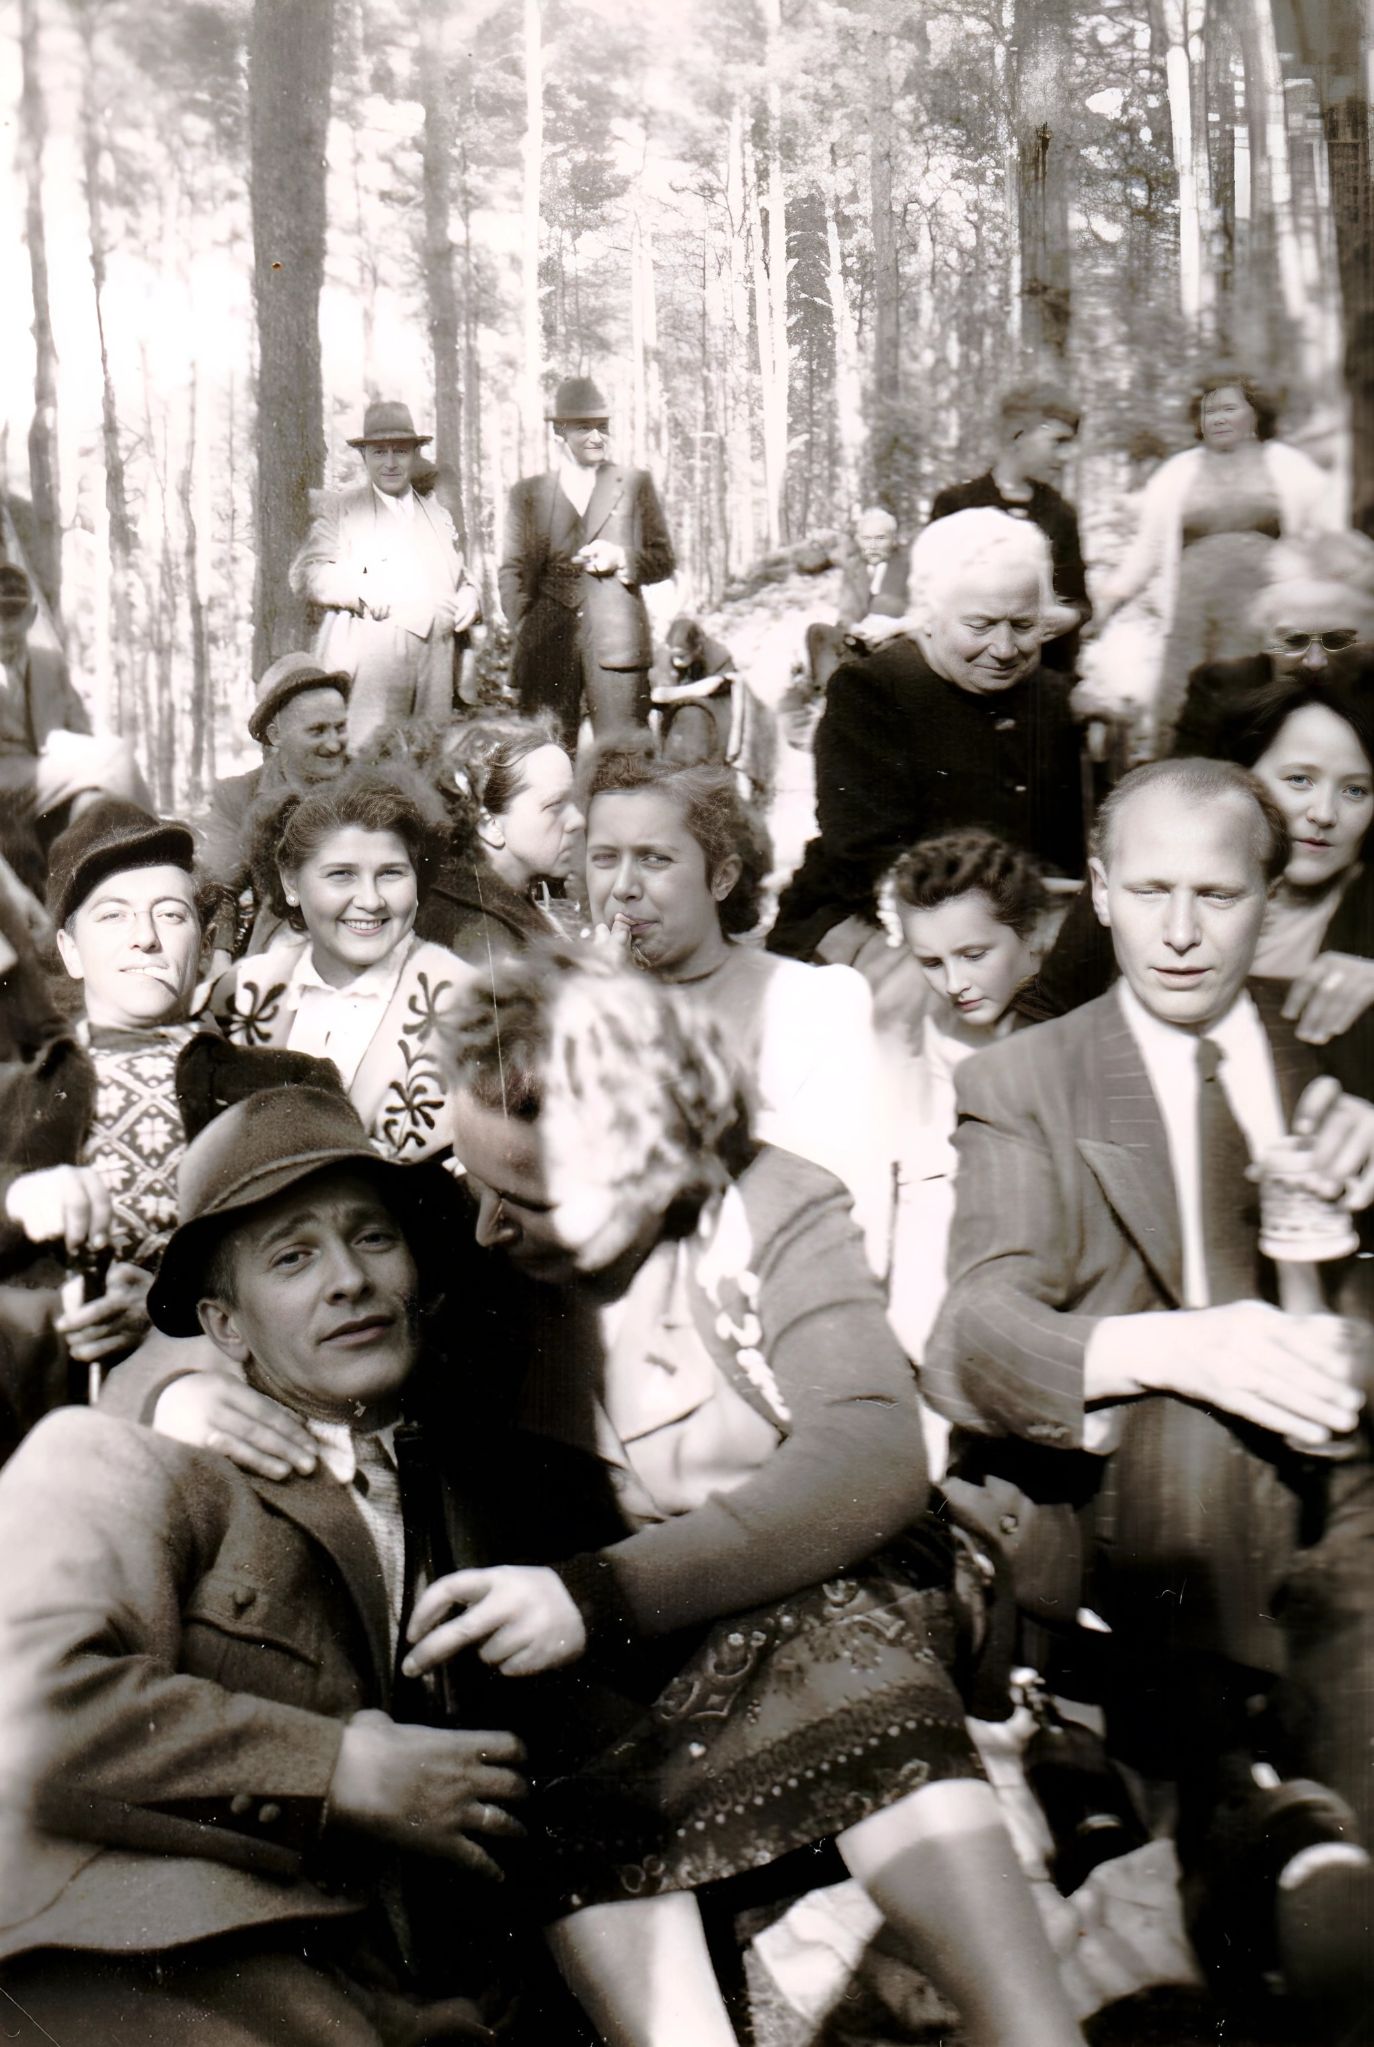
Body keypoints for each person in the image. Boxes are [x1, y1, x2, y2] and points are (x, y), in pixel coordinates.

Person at [387, 946, 1085, 2047]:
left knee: (833, 1631)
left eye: (526, 1197)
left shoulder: (769, 1206)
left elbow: (871, 1455)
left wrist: (601, 1592)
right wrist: (187, 1389)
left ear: (655, 1171)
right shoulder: (469, 1228)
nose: (483, 1226)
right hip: (602, 1662)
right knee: (538, 1724)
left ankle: (1035, 2029)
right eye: (475, 1182)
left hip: (799, 1603)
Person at [923, 758, 1374, 2020]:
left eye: (1218, 896)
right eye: (1152, 890)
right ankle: (1263, 1828)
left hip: (1337, 1478)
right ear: (1101, 895)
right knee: (1192, 1419)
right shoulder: (1028, 1081)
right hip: (1148, 1511)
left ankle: (1268, 1843)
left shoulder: (1341, 1049)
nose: (1181, 931)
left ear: (1270, 902)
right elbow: (977, 1329)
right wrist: (1186, 1346)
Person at [0, 1084, 529, 2044]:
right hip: (119, 1980)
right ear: (227, 1327)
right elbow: (21, 1713)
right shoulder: (129, 1456)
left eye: (373, 1238)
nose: (348, 1281)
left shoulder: (466, 1496)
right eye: (294, 1255)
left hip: (368, 1999)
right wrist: (332, 1770)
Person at [0, 802, 336, 1456]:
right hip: (40, 1425)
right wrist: (17, 1199)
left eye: (170, 914)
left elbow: (335, 1253)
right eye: (112, 915)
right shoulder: (15, 1095)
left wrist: (164, 1311)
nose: (145, 939)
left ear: (204, 941)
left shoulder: (285, 1082)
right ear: (68, 949)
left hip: (228, 1410)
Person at [585, 743, 886, 1261]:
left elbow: (837, 1206)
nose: (624, 888)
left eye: (655, 859)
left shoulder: (814, 1004)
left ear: (722, 878)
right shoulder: (570, 1005)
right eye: (605, 859)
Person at [769, 508, 1086, 968]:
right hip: (883, 915)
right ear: (930, 617)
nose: (1003, 649)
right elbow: (863, 849)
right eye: (980, 625)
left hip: (1021, 920)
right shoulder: (874, 690)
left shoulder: (1052, 696)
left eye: (1023, 626)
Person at [1031, 650, 1374, 1060]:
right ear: (1245, 776)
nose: (1323, 814)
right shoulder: (1143, 862)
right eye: (1299, 780)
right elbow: (1045, 1013)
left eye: (1355, 790)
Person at [882, 831, 1053, 1421]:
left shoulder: (1059, 1036)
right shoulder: (915, 1026)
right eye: (932, 962)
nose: (954, 982)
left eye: (974, 955)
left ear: (1031, 935)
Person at [217, 769, 464, 1161]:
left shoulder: (464, 999)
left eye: (391, 874)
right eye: (341, 875)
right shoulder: (243, 993)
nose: (370, 900)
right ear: (291, 883)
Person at [1093, 371, 1341, 745]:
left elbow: (1328, 541)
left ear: (1256, 415)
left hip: (1263, 615)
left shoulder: (1289, 466)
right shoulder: (1178, 472)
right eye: (1209, 412)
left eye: (1229, 408)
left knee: (1260, 712)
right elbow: (1146, 550)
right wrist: (1107, 604)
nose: (1218, 419)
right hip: (1194, 617)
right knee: (1191, 711)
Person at [290, 400, 482, 751]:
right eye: (380, 452)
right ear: (364, 456)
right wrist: (358, 589)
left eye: (401, 451)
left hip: (437, 665)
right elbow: (307, 573)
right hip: (373, 664)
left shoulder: (437, 514)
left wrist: (470, 594)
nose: (391, 462)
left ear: (415, 454)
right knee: (369, 766)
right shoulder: (342, 509)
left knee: (428, 768)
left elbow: (459, 575)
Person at [498, 376, 676, 747]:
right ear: (559, 431)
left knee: (625, 759)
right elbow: (512, 571)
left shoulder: (634, 483)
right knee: (545, 757)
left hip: (617, 646)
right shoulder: (527, 495)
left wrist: (622, 557)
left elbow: (663, 559)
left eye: (603, 427)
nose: (596, 437)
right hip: (546, 643)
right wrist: (527, 627)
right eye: (584, 428)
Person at [197, 653, 351, 961]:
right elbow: (219, 888)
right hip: (283, 948)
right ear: (275, 735)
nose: (335, 744)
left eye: (340, 727)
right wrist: (221, 960)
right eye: (317, 731)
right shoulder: (239, 796)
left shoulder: (370, 784)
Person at [929, 384, 1090, 673]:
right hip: (969, 665)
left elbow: (1079, 599)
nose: (1068, 455)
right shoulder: (957, 504)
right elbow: (932, 594)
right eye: (1059, 441)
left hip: (1045, 668)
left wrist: (1069, 617)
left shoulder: (1060, 514)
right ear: (1018, 435)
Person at [410, 715, 586, 963]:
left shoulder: (476, 895)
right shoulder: (484, 941)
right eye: (556, 805)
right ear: (489, 823)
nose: (578, 820)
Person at [0, 561, 151, 837]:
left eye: (12, 615)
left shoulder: (48, 664)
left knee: (105, 785)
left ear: (31, 615)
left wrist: (70, 749)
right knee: (118, 760)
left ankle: (146, 850)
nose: (4, 627)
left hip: (51, 777)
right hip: (6, 782)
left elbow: (79, 729)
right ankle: (160, 842)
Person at [801, 507, 913, 701]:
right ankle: (828, 697)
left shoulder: (910, 564)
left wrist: (893, 628)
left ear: (893, 539)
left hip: (896, 642)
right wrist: (855, 628)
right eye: (866, 539)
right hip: (859, 642)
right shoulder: (854, 567)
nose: (872, 546)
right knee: (817, 632)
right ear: (858, 540)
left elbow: (927, 613)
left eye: (880, 538)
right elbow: (846, 614)